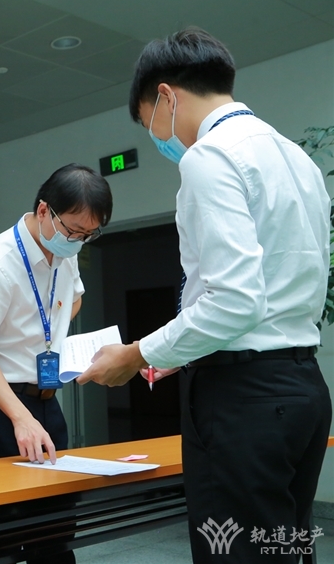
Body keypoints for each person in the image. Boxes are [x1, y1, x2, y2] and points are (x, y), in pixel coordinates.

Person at [78, 28, 331, 563]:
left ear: (166, 97)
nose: (158, 137)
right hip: (303, 388)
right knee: (283, 548)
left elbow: (236, 300)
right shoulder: (297, 159)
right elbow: (280, 288)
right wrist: (184, 350)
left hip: (243, 401)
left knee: (234, 553)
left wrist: (137, 354)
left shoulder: (210, 156)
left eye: (147, 120)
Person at [0, 163, 111, 564]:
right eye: (73, 231)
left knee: (56, 534)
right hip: (1, 408)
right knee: (1, 541)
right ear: (44, 210)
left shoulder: (65, 252)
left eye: (88, 235)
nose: (78, 241)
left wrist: (55, 339)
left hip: (46, 403)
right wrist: (20, 418)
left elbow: (74, 297)